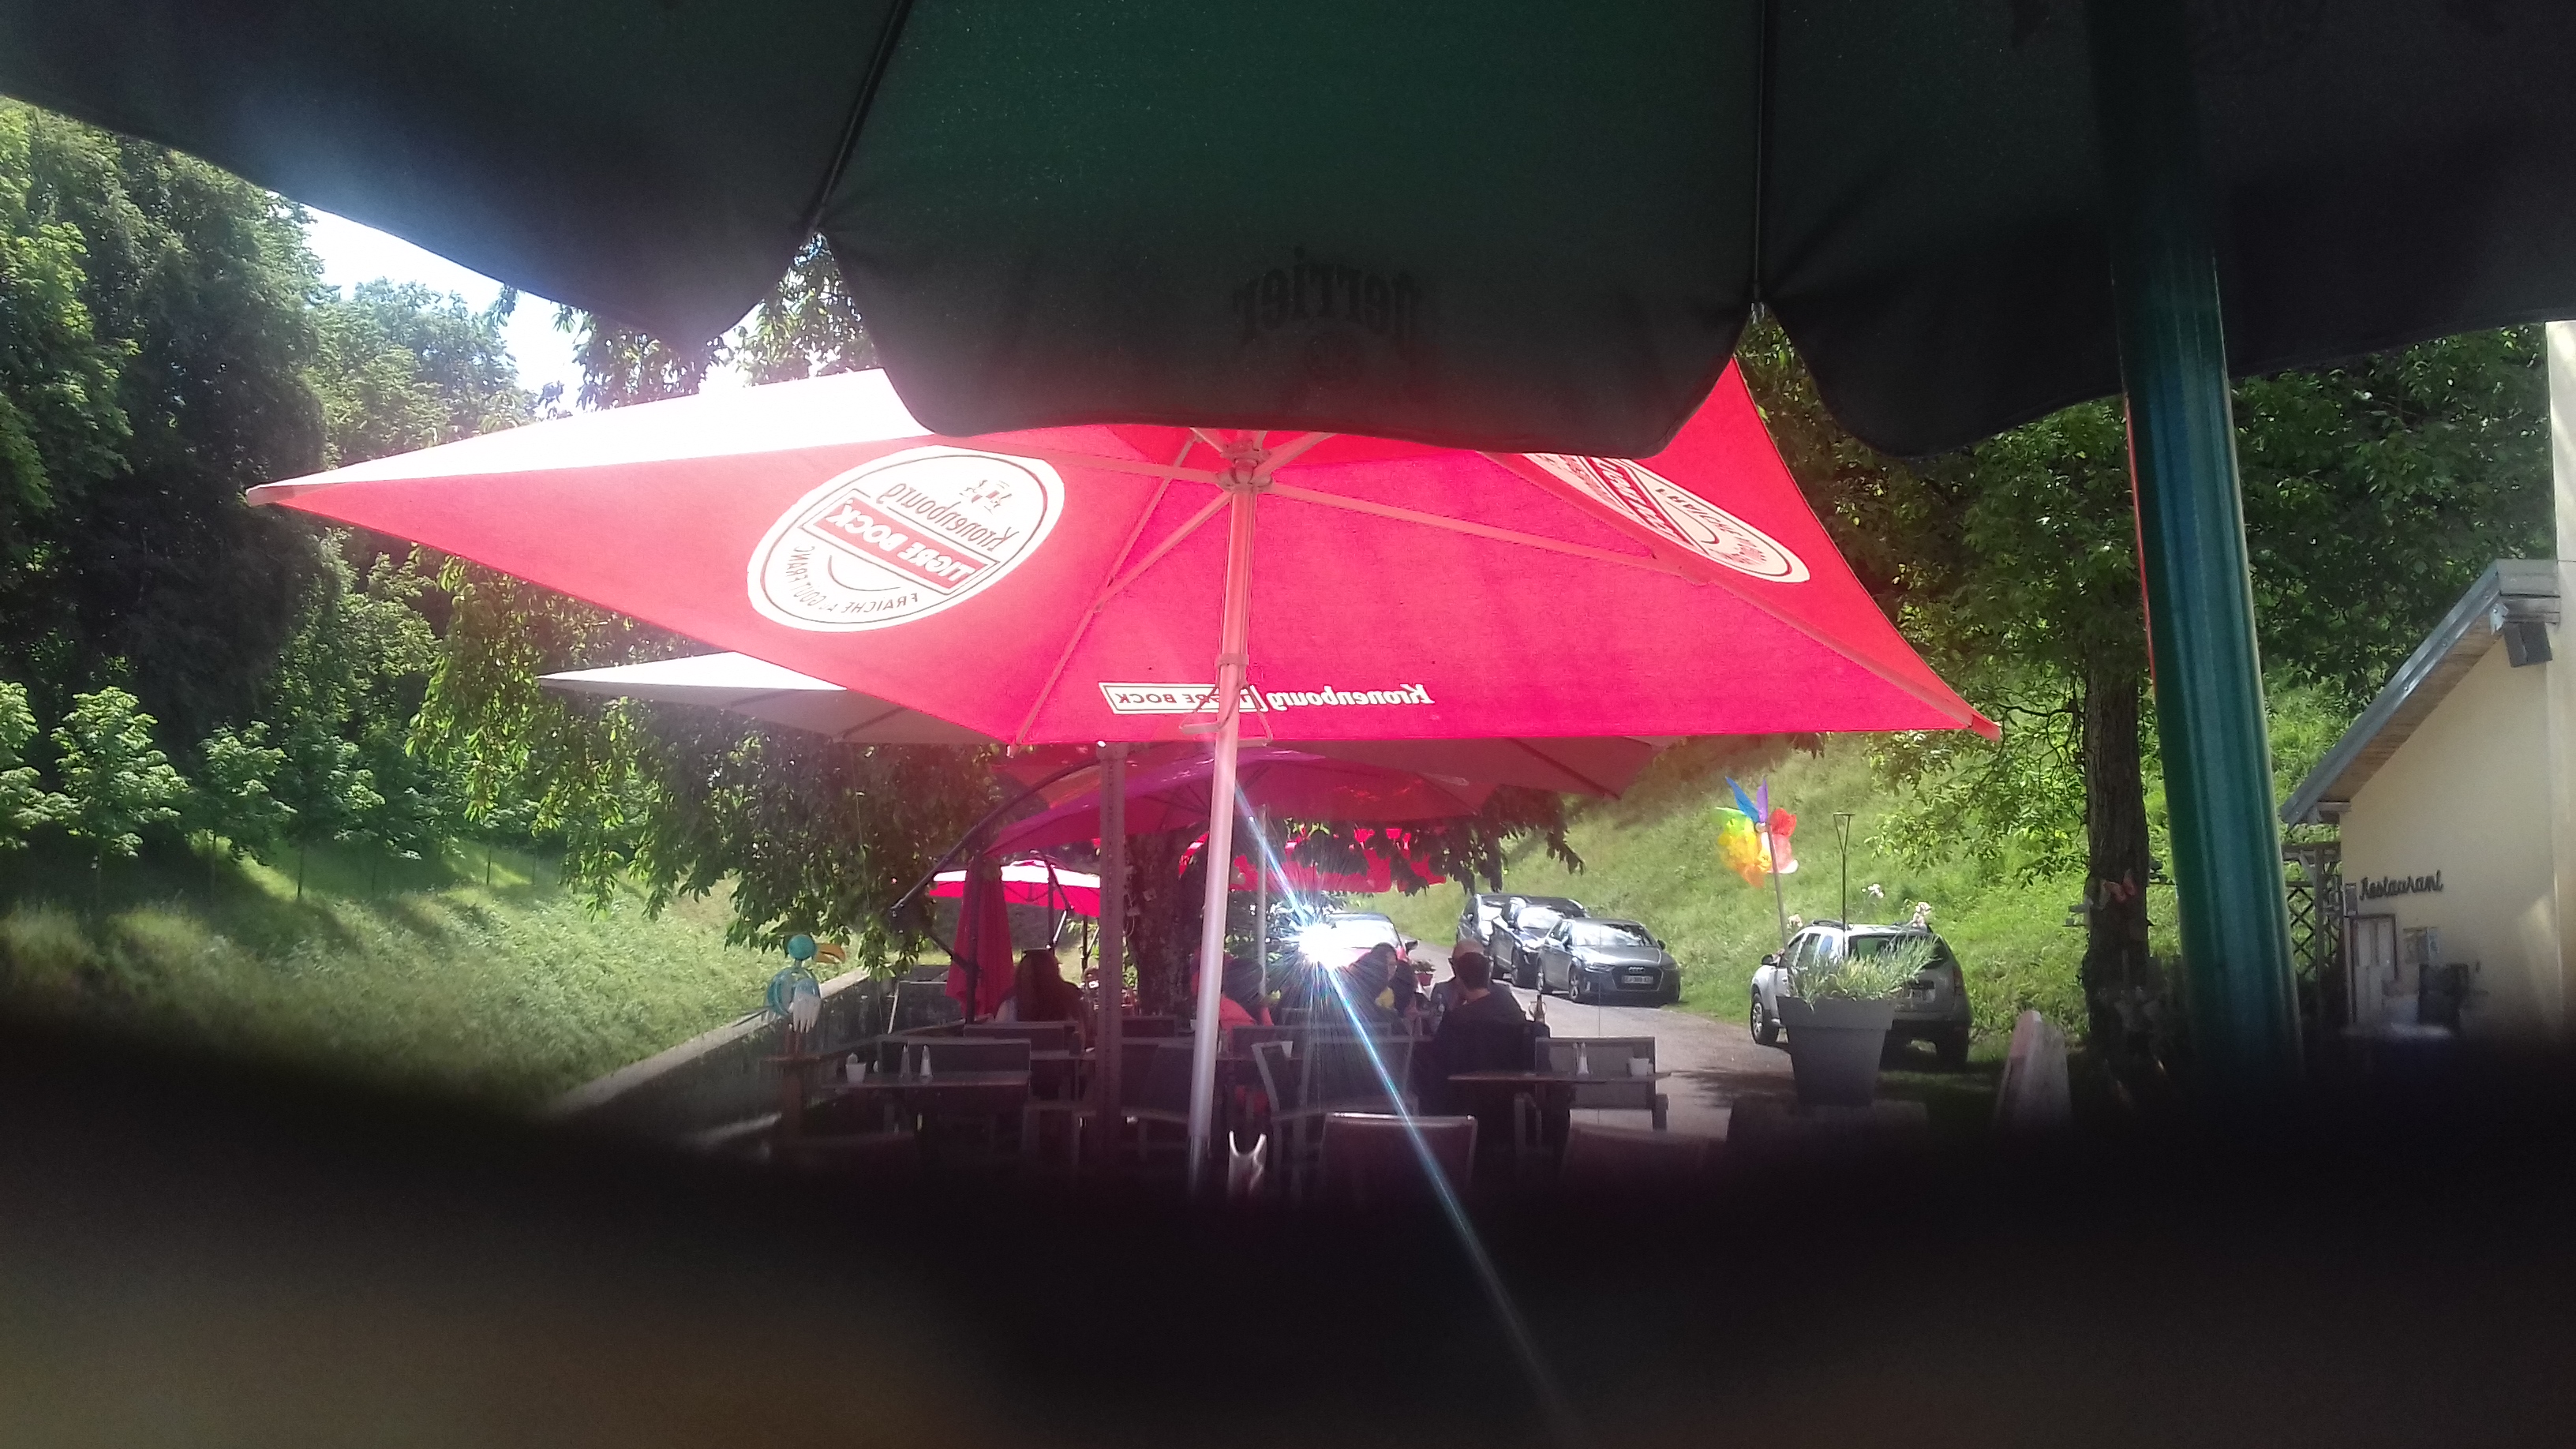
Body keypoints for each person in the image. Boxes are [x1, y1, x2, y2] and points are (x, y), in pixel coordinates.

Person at [998, 948, 1080, 1023]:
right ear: (1055, 969)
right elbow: (1082, 1028)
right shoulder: (1072, 994)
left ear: (1021, 972)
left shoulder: (1008, 1002)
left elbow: (999, 1031)